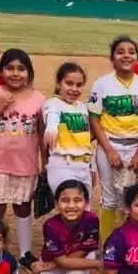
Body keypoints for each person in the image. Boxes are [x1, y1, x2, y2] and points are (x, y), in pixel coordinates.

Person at [0, 49, 46, 271]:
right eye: (10, 68)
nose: (15, 74)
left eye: (21, 69)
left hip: (25, 164)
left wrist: (45, 164)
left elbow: (43, 135)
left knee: (23, 207)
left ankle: (25, 253)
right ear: (1, 71)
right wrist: (0, 107)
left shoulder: (38, 99)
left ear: (29, 72)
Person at [88, 37, 138, 243]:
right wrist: (109, 150)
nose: (126, 55)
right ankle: (109, 243)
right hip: (109, 145)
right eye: (120, 51)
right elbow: (94, 119)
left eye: (131, 51)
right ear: (112, 59)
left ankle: (130, 239)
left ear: (137, 58)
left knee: (132, 197)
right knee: (109, 199)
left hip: (136, 145)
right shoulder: (102, 84)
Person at [43, 62, 95, 196]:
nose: (74, 88)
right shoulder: (53, 103)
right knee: (69, 206)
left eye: (79, 85)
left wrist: (92, 166)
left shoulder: (82, 107)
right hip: (62, 165)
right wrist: (52, 128)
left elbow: (86, 138)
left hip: (84, 165)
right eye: (69, 83)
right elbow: (52, 115)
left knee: (84, 207)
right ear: (59, 83)